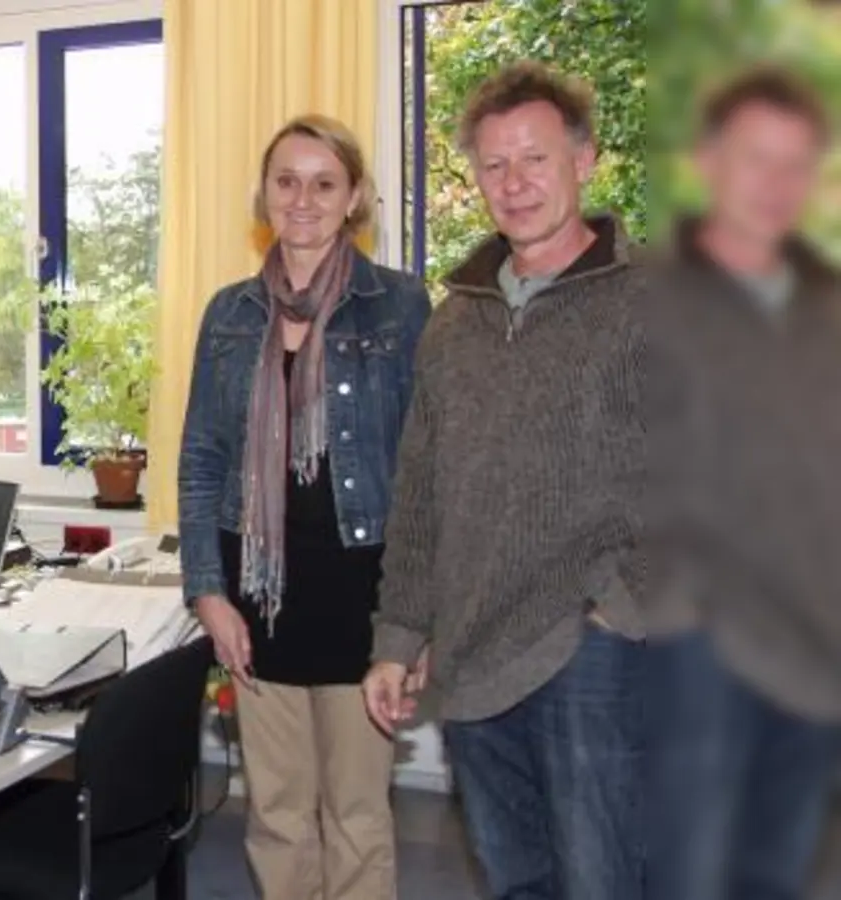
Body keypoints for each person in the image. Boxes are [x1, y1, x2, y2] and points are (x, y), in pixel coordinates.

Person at [361, 61, 645, 899]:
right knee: (517, 881)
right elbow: (420, 497)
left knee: (607, 882)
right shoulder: (454, 323)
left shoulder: (652, 300)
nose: (514, 184)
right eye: (494, 165)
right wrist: (398, 639)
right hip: (476, 657)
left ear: (585, 161)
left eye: (536, 159)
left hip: (594, 653)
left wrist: (628, 604)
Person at [177, 114, 431, 900]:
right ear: (264, 193)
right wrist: (207, 591)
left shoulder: (400, 306)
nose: (303, 200)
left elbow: (428, 474)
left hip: (364, 599)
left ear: (354, 196)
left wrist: (414, 621)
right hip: (260, 599)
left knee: (357, 814)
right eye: (286, 181)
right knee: (278, 813)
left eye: (325, 183)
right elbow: (200, 460)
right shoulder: (228, 314)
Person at [647, 65, 841, 900]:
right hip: (700, 654)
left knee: (777, 877)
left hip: (813, 651)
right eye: (756, 158)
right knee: (692, 876)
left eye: (796, 164)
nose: (776, 184)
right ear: (709, 162)